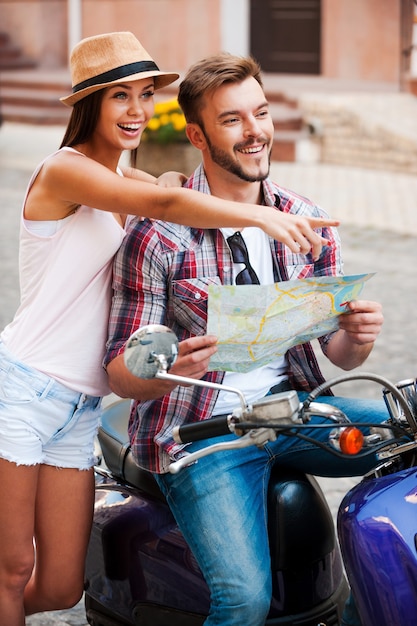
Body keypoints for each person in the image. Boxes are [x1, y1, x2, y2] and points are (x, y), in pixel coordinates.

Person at [0, 35, 340, 626]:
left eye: (145, 95)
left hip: (80, 406)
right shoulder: (64, 171)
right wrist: (266, 214)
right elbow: (173, 207)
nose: (136, 110)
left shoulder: (132, 180)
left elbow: (176, 204)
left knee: (59, 588)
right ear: (88, 106)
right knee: (9, 570)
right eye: (119, 98)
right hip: (23, 390)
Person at [105, 53, 386, 626]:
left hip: (292, 412)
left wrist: (357, 338)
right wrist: (165, 365)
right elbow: (118, 373)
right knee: (244, 601)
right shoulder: (158, 237)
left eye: (259, 113)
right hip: (200, 437)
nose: (255, 131)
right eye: (232, 120)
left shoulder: (307, 221)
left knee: (407, 430)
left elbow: (336, 356)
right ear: (197, 135)